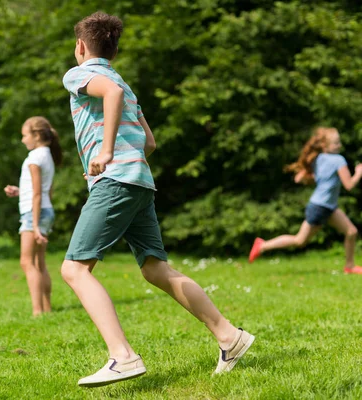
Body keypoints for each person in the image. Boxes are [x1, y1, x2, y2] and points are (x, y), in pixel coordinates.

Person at [60, 12, 254, 387]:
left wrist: (106, 152)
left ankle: (123, 357)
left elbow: (110, 97)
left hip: (116, 181)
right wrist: (123, 156)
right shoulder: (125, 84)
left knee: (74, 269)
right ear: (113, 49)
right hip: (139, 181)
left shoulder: (79, 73)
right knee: (154, 268)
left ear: (81, 46)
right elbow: (149, 142)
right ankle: (229, 336)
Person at [249, 127, 362, 273]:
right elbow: (349, 185)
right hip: (320, 207)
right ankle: (262, 245)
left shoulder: (319, 158)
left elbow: (312, 177)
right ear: (324, 146)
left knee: (351, 232)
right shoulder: (338, 160)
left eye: (339, 142)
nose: (339, 146)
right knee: (299, 241)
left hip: (328, 206)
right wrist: (359, 173)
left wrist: (305, 176)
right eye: (335, 143)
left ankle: (350, 266)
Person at [4, 117, 63, 316]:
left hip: (34, 214)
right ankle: (46, 308)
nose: (23, 140)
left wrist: (35, 226)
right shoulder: (47, 156)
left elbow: (37, 194)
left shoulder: (34, 159)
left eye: (25, 135)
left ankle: (37, 311)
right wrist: (20, 191)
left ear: (36, 136)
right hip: (45, 211)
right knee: (39, 262)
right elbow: (45, 190)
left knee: (26, 262)